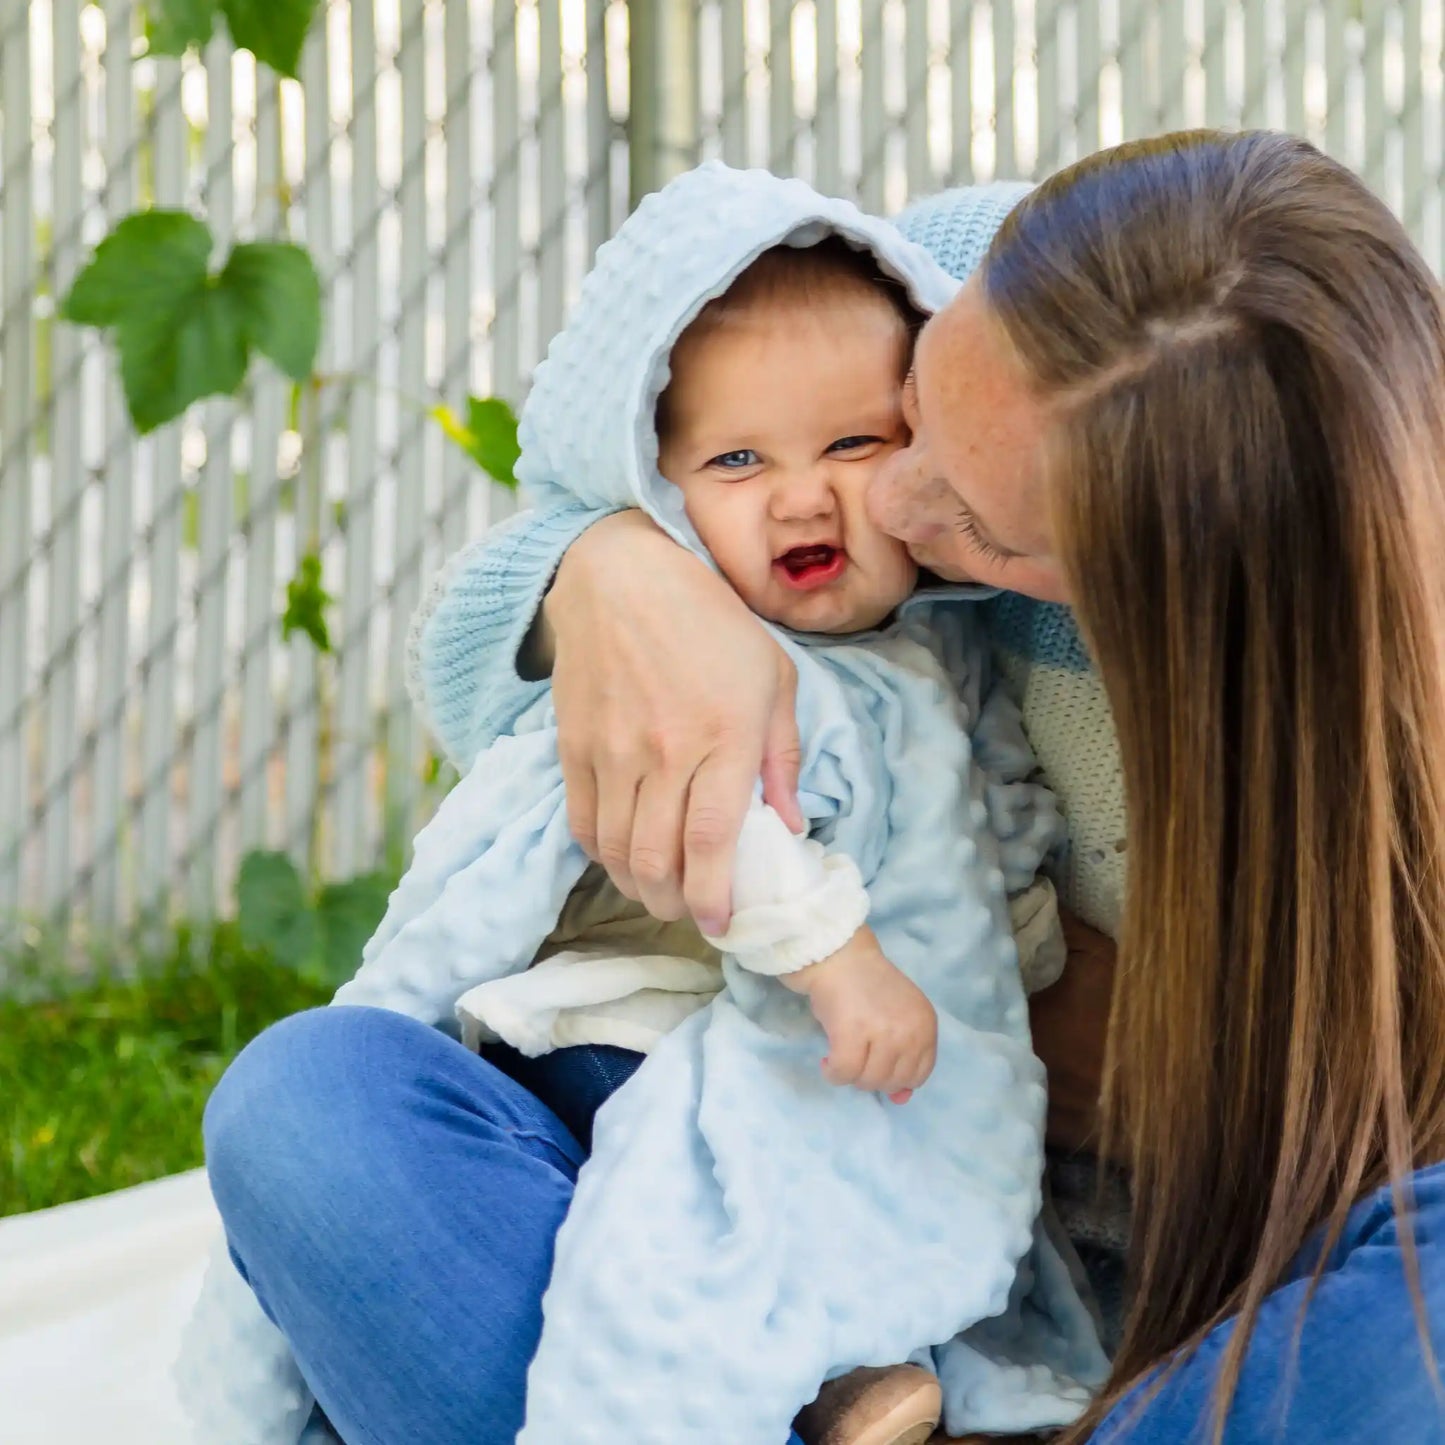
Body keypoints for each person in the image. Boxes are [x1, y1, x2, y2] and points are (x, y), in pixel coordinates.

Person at [426, 129, 1445, 1440]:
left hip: (1124, 1253)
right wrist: (614, 573)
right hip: (775, 1135)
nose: (891, 506)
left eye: (980, 527)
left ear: (1162, 610)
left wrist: (1131, 1058)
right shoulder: (944, 273)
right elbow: (468, 665)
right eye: (913, 409)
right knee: (319, 1108)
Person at [178, 164, 1105, 1445]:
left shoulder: (926, 658)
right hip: (624, 1041)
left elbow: (981, 824)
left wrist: (1015, 935)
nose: (805, 494)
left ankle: (806, 1380)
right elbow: (734, 826)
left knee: (797, 1200)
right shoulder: (952, 296)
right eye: (736, 462)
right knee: (360, 1120)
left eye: (853, 443)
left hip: (863, 1101)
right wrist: (608, 564)